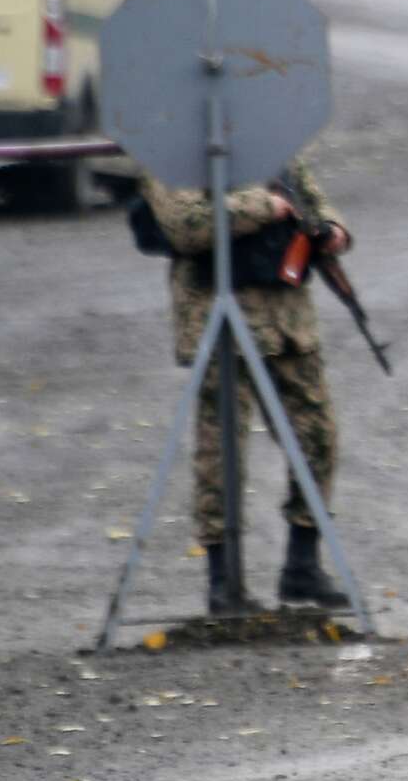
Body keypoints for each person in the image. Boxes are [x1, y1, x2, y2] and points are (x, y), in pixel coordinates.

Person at [145, 161, 354, 616]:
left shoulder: (274, 139)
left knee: (318, 439)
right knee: (221, 452)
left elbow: (313, 201)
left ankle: (303, 564)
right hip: (220, 321)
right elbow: (186, 226)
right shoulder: (176, 145)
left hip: (287, 320)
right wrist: (267, 206)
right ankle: (223, 580)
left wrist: (333, 231)